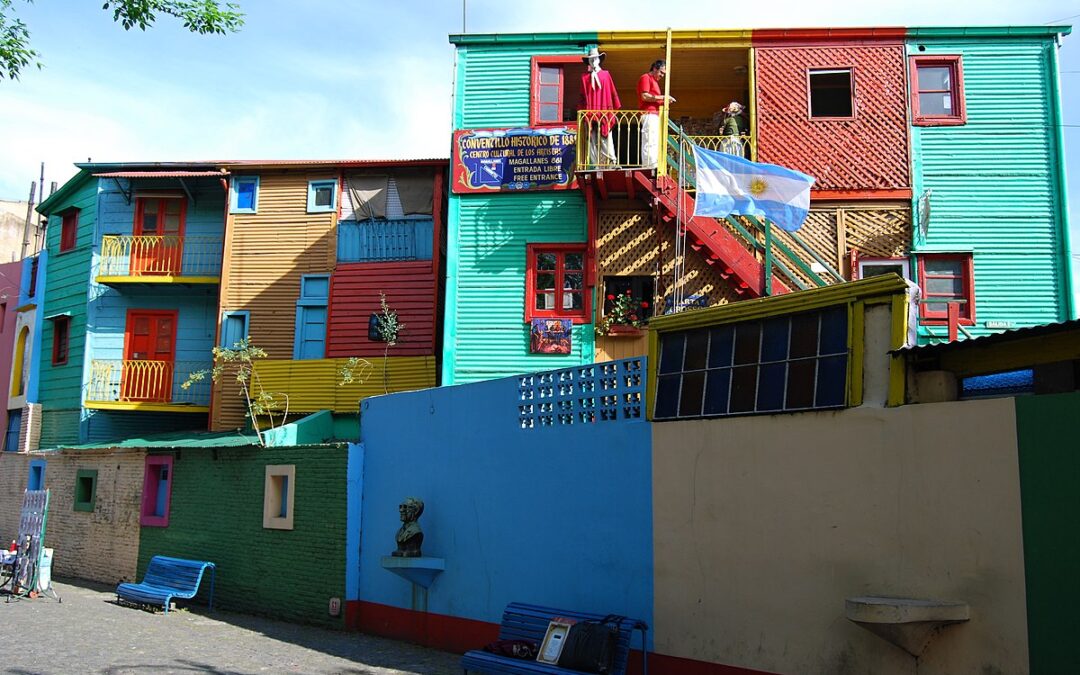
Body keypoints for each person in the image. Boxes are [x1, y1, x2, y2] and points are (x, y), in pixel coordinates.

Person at [578, 47, 621, 169]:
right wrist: (582, 112)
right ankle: (596, 165)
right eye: (591, 59)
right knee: (592, 140)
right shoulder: (585, 78)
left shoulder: (606, 75)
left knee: (606, 138)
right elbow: (582, 97)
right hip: (590, 112)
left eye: (595, 59)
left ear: (599, 59)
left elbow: (612, 92)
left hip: (604, 111)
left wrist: (612, 109)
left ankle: (611, 162)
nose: (593, 61)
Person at [637, 59, 676, 168]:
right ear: (655, 69)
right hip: (649, 114)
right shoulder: (646, 77)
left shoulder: (654, 82)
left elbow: (653, 99)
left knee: (654, 141)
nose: (662, 75)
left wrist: (664, 101)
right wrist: (663, 97)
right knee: (649, 140)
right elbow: (645, 96)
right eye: (661, 72)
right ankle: (649, 166)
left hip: (654, 115)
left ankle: (653, 165)